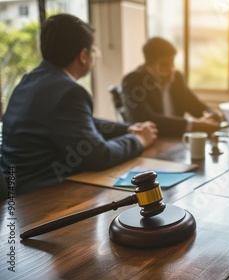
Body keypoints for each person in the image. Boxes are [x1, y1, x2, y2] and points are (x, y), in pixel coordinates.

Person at [0, 14, 157, 195]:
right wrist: (139, 140)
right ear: (84, 55)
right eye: (92, 51)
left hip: (16, 193)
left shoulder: (28, 81)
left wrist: (128, 129)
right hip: (41, 197)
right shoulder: (69, 91)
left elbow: (82, 123)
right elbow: (98, 156)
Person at [121, 37, 220, 137]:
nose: (171, 69)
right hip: (152, 144)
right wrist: (192, 125)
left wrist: (211, 115)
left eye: (172, 62)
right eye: (164, 65)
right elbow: (146, 119)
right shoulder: (133, 81)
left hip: (178, 142)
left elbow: (197, 106)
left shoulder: (177, 78)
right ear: (148, 66)